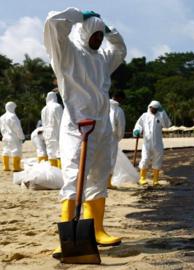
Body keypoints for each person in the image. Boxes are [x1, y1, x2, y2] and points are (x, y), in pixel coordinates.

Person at [44, 7, 126, 258]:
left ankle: (97, 229)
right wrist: (80, 15)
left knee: (99, 176)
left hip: (100, 124)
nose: (98, 40)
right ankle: (67, 236)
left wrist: (110, 31)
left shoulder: (101, 58)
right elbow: (53, 23)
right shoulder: (66, 52)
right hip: (76, 124)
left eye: (101, 36)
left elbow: (120, 50)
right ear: (85, 30)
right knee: (73, 176)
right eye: (96, 35)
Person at [133, 100, 171, 186]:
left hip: (158, 143)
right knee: (145, 158)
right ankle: (142, 178)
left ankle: (155, 180)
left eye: (156, 109)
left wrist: (163, 112)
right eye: (152, 108)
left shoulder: (160, 116)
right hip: (146, 143)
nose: (154, 110)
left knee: (157, 159)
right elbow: (138, 125)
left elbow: (167, 125)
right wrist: (137, 131)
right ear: (149, 107)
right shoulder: (144, 116)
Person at [0, 102, 25, 172]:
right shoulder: (12, 116)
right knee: (16, 151)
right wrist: (22, 137)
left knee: (6, 151)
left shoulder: (1, 117)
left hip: (5, 137)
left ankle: (6, 167)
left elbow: (1, 128)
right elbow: (17, 128)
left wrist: (4, 135)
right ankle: (16, 167)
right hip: (13, 137)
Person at [108, 91, 126, 188]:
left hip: (99, 137)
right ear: (119, 98)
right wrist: (118, 138)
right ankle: (107, 183)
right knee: (111, 159)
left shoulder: (102, 105)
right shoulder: (118, 110)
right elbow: (121, 127)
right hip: (112, 138)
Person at [41, 91, 63, 168]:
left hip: (47, 133)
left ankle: (53, 172)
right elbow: (61, 121)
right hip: (57, 132)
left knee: (51, 152)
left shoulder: (43, 109)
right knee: (60, 152)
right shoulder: (57, 106)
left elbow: (43, 123)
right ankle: (60, 172)